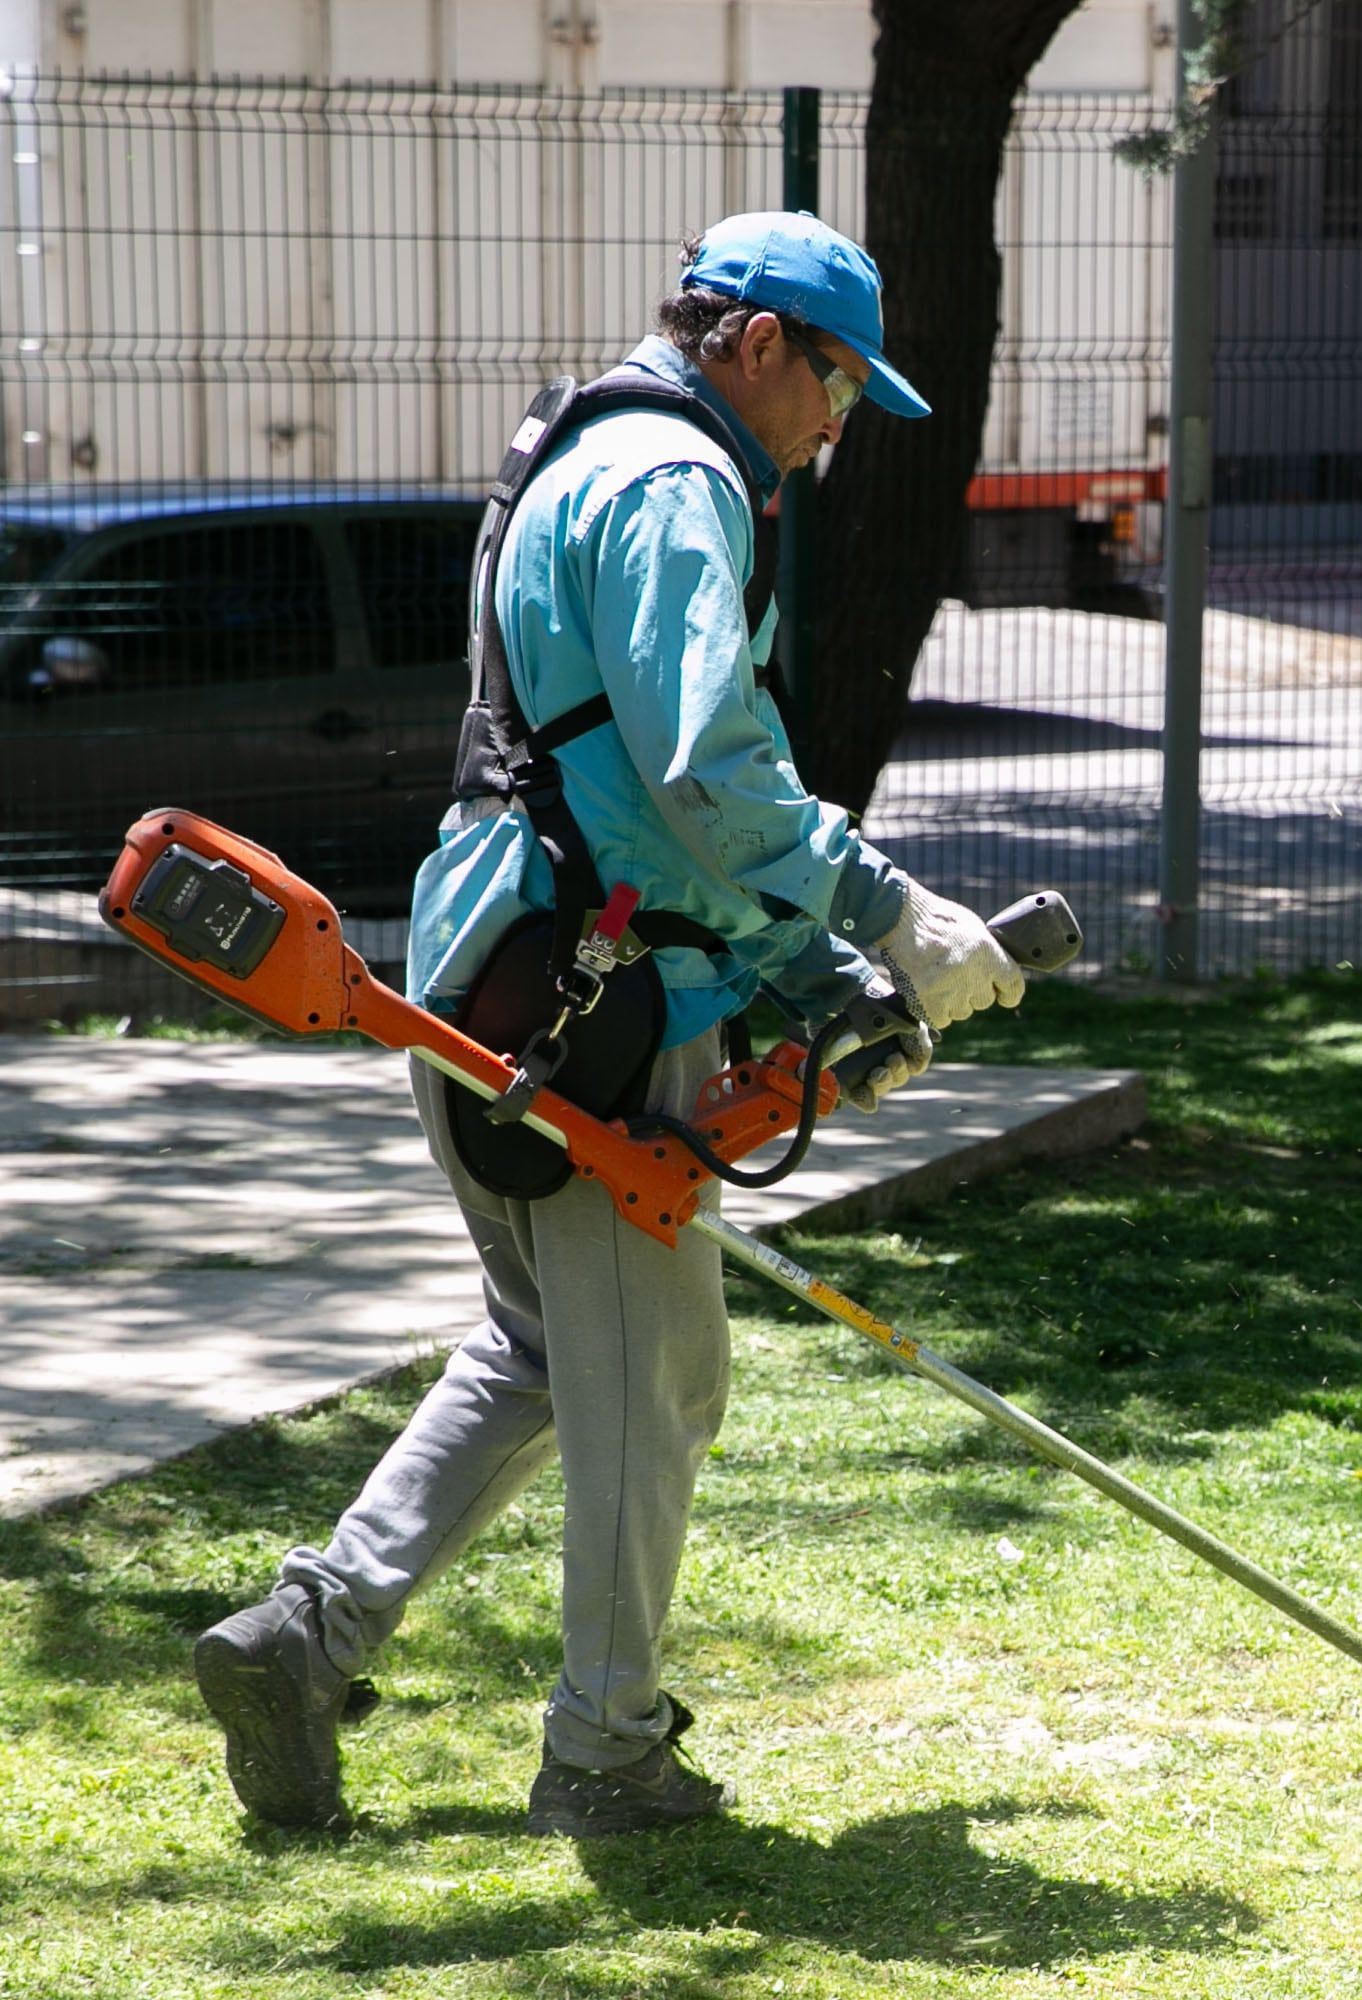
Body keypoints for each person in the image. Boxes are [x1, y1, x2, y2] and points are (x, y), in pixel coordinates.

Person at [188, 212, 1023, 1840]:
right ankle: (608, 1752)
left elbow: (610, 779)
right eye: (840, 380)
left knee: (539, 1352)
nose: (841, 423)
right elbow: (703, 774)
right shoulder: (676, 483)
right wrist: (882, 915)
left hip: (490, 965)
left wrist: (802, 978)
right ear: (757, 344)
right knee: (654, 1385)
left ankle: (305, 1639)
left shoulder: (586, 451)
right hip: (598, 1003)